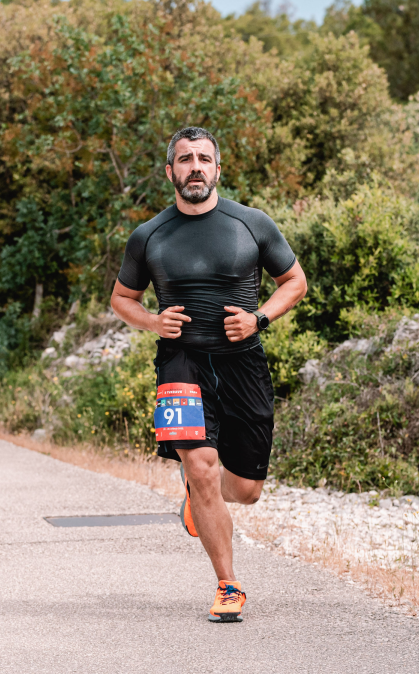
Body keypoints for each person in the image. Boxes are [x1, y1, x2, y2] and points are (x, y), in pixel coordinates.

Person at [111, 127, 307, 623]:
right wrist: (153, 322)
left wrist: (258, 318)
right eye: (184, 159)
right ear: (170, 171)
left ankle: (200, 499)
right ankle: (228, 584)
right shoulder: (150, 235)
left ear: (219, 168)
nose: (194, 167)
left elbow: (295, 282)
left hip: (243, 361)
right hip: (180, 362)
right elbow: (121, 299)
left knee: (245, 490)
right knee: (200, 466)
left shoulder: (252, 224)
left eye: (203, 159)